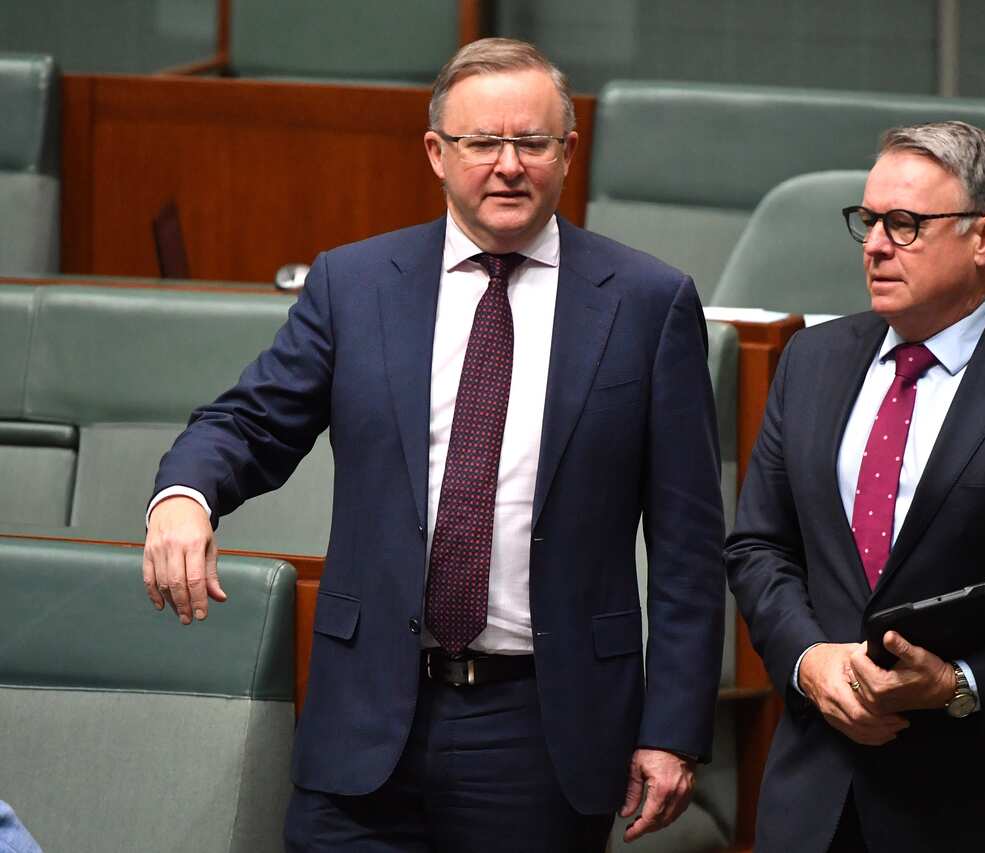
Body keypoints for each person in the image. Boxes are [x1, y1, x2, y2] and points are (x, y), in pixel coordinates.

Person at [142, 38, 725, 852]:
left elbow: (690, 547)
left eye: (532, 142)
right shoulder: (355, 284)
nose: (509, 165)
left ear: (567, 152)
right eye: (483, 143)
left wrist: (673, 727)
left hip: (542, 728)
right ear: (437, 153)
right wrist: (183, 497)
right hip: (366, 717)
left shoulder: (647, 303)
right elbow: (250, 422)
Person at [725, 121, 985, 853]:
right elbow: (760, 543)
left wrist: (961, 680)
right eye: (868, 221)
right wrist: (808, 659)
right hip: (816, 795)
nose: (875, 244)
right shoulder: (811, 360)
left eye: (905, 224)